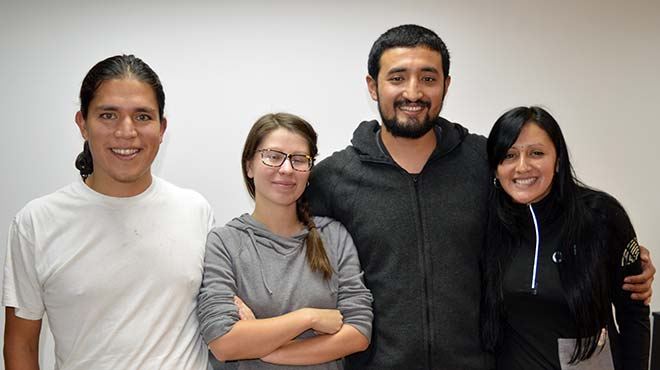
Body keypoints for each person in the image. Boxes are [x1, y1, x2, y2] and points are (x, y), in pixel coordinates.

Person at [306, 24, 655, 370]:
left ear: (446, 85)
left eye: (428, 78)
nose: (413, 93)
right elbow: (285, 238)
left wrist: (617, 258)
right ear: (372, 85)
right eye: (397, 78)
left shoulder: (482, 160)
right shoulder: (334, 178)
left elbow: (549, 209)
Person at [2, 55, 214, 370]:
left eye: (142, 116)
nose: (126, 132)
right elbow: (20, 344)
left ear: (162, 127)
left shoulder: (195, 210)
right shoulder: (36, 222)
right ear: (82, 124)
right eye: (108, 115)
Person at [197, 113, 373, 369]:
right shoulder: (224, 242)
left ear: (310, 170)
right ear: (249, 166)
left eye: (299, 159)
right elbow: (223, 343)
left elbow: (357, 334)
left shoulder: (333, 236)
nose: (287, 169)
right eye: (273, 156)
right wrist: (308, 318)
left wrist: (263, 349)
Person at [481, 106, 650, 369]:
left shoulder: (600, 215)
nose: (522, 166)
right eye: (509, 155)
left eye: (536, 153)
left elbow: (633, 314)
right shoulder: (488, 223)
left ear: (558, 159)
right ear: (495, 168)